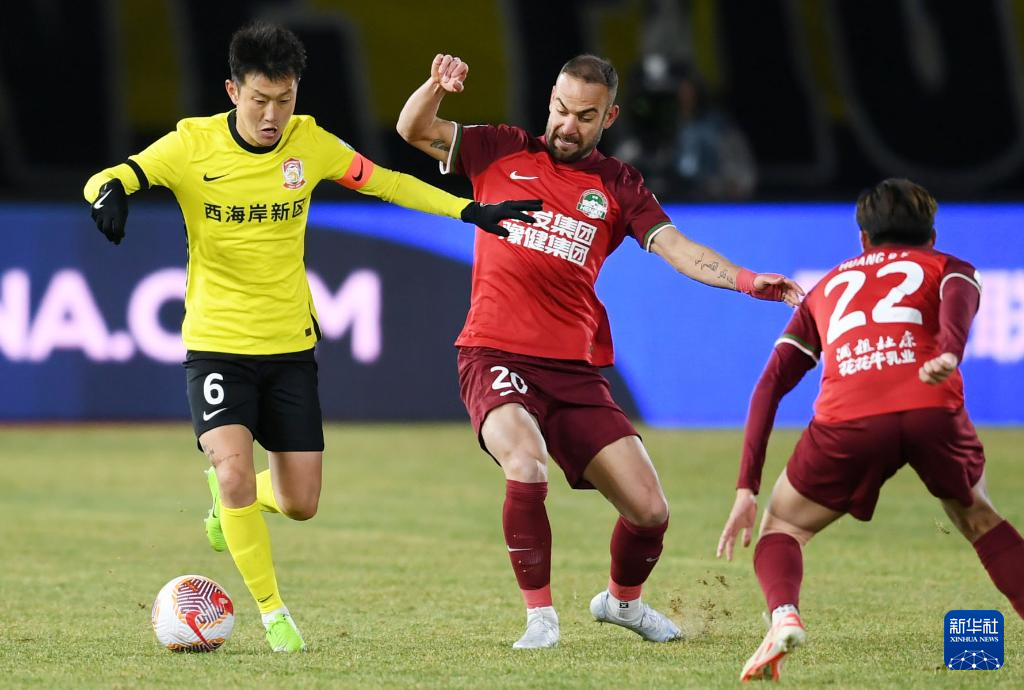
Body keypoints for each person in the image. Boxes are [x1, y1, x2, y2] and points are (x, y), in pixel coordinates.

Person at [83, 23, 539, 653]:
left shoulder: (311, 144)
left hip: (290, 348)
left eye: (285, 99)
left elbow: (387, 181)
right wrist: (108, 195)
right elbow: (112, 176)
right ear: (233, 92)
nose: (272, 115)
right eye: (259, 100)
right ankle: (275, 616)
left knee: (301, 502)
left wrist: (469, 210)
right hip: (216, 346)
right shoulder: (191, 144)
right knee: (235, 470)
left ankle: (230, 501)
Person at [396, 53, 804, 648]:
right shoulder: (499, 149)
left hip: (573, 369)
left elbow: (677, 248)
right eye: (562, 110)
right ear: (550, 100)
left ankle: (622, 603)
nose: (568, 125)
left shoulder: (618, 185)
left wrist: (746, 280)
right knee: (525, 463)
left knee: (650, 511)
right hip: (494, 353)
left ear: (609, 117)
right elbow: (413, 129)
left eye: (585, 116)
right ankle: (540, 618)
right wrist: (436, 86)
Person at [716, 178, 1024, 681]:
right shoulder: (949, 266)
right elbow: (959, 294)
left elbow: (769, 386)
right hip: (930, 407)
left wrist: (746, 488)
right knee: (980, 519)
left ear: (862, 238)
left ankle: (784, 616)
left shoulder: (827, 287)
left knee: (783, 527)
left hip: (849, 420)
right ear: (932, 235)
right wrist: (949, 352)